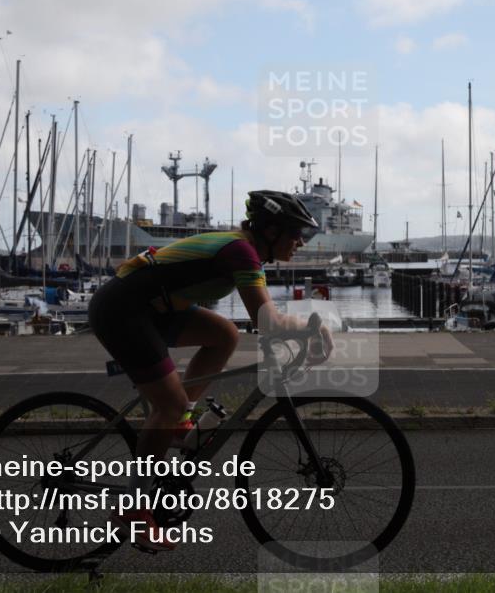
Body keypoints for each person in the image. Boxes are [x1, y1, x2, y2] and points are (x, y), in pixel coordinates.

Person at [87, 190, 334, 550]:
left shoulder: (245, 252)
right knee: (167, 406)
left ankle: (177, 420)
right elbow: (268, 322)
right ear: (270, 230)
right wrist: (314, 327)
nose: (300, 242)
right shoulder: (240, 252)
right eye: (296, 233)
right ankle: (133, 510)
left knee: (224, 335)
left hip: (151, 307)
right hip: (123, 311)